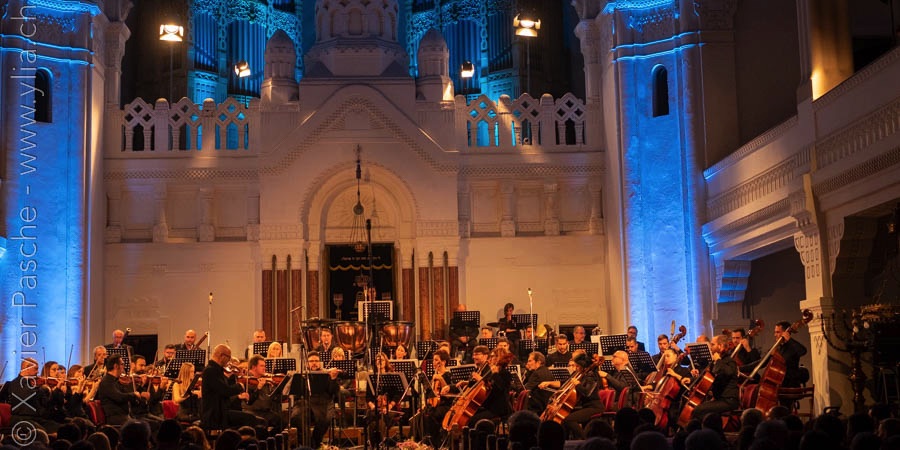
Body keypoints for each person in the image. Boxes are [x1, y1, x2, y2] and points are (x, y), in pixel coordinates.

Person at [200, 344, 257, 430]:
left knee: (251, 418)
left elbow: (224, 388)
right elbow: (225, 390)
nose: (229, 361)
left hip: (221, 411)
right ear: (222, 356)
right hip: (215, 414)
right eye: (228, 357)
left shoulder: (216, 370)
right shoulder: (210, 370)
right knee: (250, 419)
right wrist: (239, 385)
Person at [291, 351, 339, 449]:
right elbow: (297, 394)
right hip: (305, 403)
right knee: (297, 417)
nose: (314, 363)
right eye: (311, 361)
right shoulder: (302, 375)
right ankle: (306, 443)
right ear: (307, 363)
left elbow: (333, 392)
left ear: (320, 363)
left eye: (316, 361)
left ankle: (315, 442)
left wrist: (333, 379)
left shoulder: (326, 374)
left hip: (322, 403)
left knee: (325, 419)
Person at [688, 334, 739, 420]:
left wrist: (718, 360)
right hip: (719, 399)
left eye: (712, 344)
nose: (710, 347)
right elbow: (706, 376)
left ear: (720, 346)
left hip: (728, 400)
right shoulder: (715, 362)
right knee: (697, 409)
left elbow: (728, 372)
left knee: (698, 410)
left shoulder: (730, 361)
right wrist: (690, 379)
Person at [0, 358, 57, 433]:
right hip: (22, 419)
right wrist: (42, 389)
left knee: (61, 428)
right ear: (27, 368)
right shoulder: (15, 383)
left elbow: (45, 403)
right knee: (42, 431)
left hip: (37, 419)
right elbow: (28, 397)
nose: (38, 372)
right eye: (36, 369)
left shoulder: (32, 383)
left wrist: (54, 391)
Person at [558, 350, 605, 440]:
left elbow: (587, 393)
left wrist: (577, 384)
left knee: (568, 420)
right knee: (564, 417)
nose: (576, 368)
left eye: (577, 366)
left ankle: (584, 439)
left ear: (583, 366)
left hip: (594, 407)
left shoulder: (591, 376)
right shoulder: (584, 375)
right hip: (586, 406)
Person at [96, 355, 149, 426]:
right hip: (116, 418)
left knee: (153, 424)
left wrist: (139, 392)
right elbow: (119, 397)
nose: (124, 367)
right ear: (116, 366)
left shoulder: (117, 381)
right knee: (144, 426)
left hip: (125, 416)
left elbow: (126, 394)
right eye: (122, 364)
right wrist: (133, 394)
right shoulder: (107, 382)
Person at [467, 347, 513, 424]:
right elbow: (488, 386)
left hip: (498, 409)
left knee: (472, 421)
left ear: (499, 358)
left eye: (492, 356)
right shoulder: (492, 372)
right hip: (489, 406)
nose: (490, 358)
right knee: (470, 415)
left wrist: (483, 379)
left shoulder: (505, 373)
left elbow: (498, 390)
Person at [242, 355, 282, 429]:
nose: (264, 368)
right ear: (254, 367)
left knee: (281, 420)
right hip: (252, 411)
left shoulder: (263, 379)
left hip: (264, 411)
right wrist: (259, 387)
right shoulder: (247, 380)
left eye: (264, 366)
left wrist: (272, 387)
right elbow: (250, 399)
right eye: (262, 366)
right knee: (274, 421)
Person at [774, 321, 808, 388]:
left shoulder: (792, 347)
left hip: (790, 385)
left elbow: (803, 351)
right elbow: (763, 362)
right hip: (779, 385)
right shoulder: (777, 348)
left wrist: (789, 339)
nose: (775, 335)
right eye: (775, 332)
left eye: (777, 332)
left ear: (785, 333)